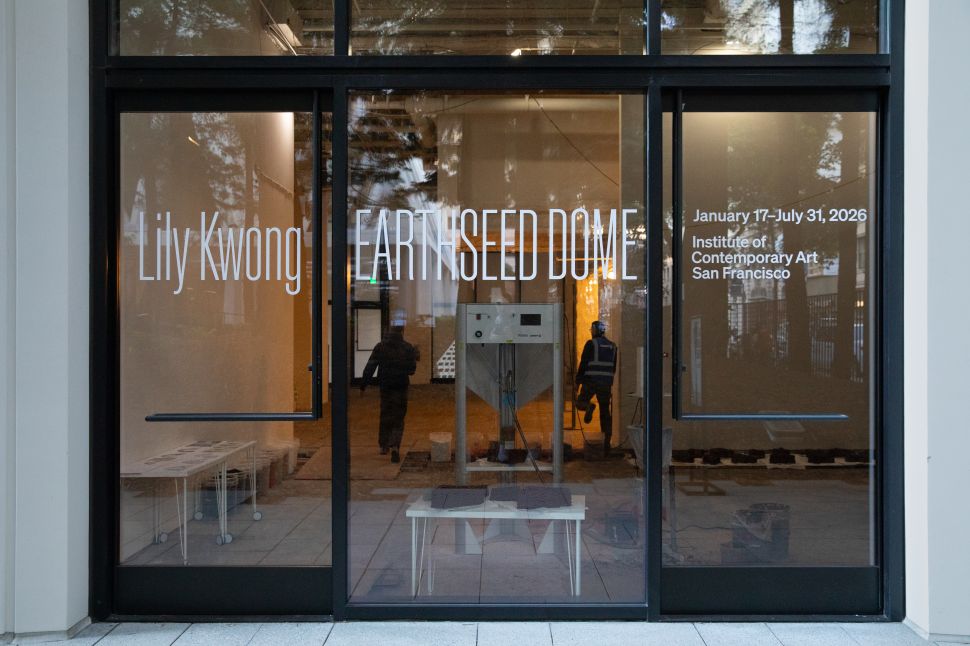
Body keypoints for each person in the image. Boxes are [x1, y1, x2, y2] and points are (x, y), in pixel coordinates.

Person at [360, 321, 419, 463]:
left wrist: (363, 384)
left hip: (385, 385)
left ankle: (384, 445)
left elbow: (370, 366)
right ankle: (395, 446)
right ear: (402, 332)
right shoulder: (407, 348)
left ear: (389, 331)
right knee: (399, 416)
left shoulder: (380, 347)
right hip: (401, 385)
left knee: (386, 413)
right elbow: (411, 371)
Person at [575, 320, 618, 457]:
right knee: (605, 413)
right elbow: (614, 368)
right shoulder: (613, 346)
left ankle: (589, 407)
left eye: (591, 329)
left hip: (590, 381)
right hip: (605, 384)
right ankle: (606, 445)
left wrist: (578, 382)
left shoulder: (591, 344)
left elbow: (583, 364)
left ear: (594, 330)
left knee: (580, 403)